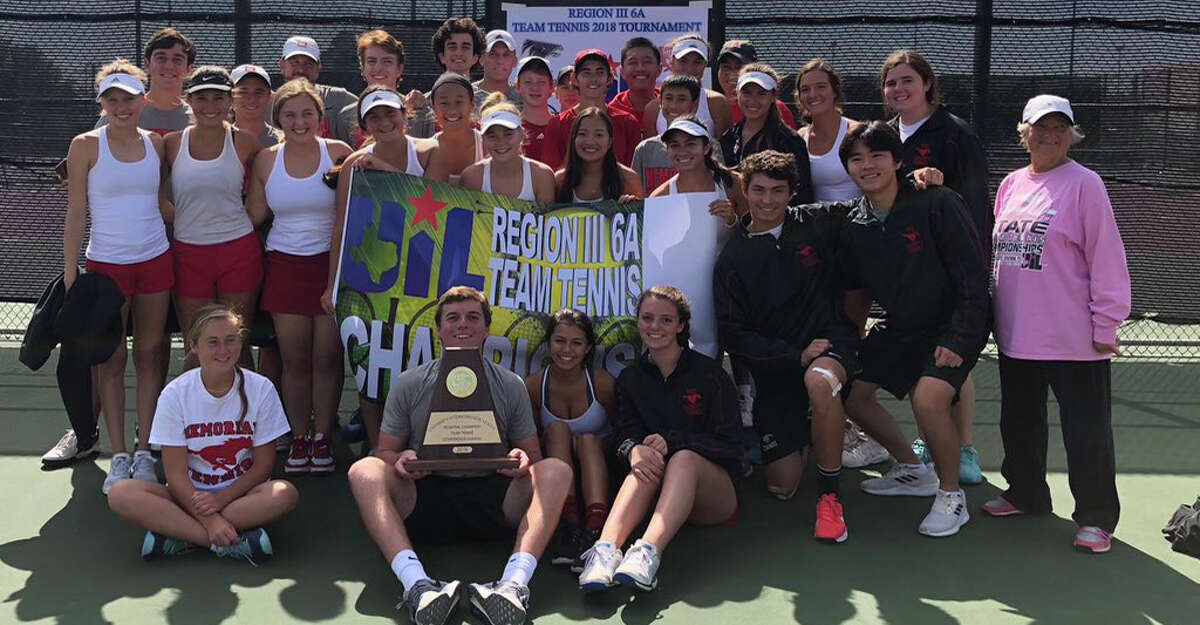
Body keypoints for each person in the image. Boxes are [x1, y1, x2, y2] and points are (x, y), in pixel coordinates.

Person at [346, 287, 572, 625]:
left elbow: (533, 456)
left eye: (472, 317)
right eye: (452, 318)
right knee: (363, 471)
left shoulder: (510, 384)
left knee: (556, 471)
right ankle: (418, 586)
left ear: (486, 327)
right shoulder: (409, 383)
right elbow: (384, 451)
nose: (462, 325)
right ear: (439, 329)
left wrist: (520, 459)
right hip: (424, 497)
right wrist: (401, 459)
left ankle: (512, 586)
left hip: (494, 499)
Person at [985, 95, 1130, 554]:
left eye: (1059, 128)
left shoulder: (1085, 184)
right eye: (1040, 127)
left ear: (1072, 134)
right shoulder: (1010, 184)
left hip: (1073, 340)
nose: (1049, 135)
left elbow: (1106, 258)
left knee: (1086, 434)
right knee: (1019, 424)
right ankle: (1026, 494)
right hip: (1015, 337)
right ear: (1023, 132)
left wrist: (1106, 325)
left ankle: (1096, 517)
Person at [837, 121, 989, 538]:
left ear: (898, 161)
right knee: (852, 393)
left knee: (928, 400)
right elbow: (856, 290)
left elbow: (974, 280)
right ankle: (911, 469)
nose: (867, 165)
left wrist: (959, 338)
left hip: (952, 326)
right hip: (901, 327)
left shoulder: (937, 201)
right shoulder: (855, 223)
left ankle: (951, 496)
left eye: (876, 156)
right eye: (856, 158)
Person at [714, 150, 860, 542]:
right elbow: (733, 334)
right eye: (758, 190)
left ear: (793, 193)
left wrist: (918, 180)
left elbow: (874, 200)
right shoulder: (732, 258)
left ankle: (830, 496)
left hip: (831, 345)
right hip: (778, 370)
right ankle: (822, 428)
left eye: (778, 191)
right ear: (744, 190)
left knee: (820, 381)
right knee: (781, 486)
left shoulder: (818, 222)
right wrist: (792, 355)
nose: (767, 200)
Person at [577, 286, 741, 592]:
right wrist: (632, 450)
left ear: (681, 326)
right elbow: (623, 435)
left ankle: (647, 552)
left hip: (714, 498)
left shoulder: (710, 375)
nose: (655, 327)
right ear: (638, 322)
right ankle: (604, 551)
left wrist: (675, 440)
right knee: (644, 457)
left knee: (682, 459)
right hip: (656, 492)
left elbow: (732, 446)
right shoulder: (630, 378)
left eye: (666, 320)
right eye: (647, 318)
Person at [107, 304, 298, 562]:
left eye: (231, 340)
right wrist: (209, 520)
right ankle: (229, 541)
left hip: (241, 496)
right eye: (213, 342)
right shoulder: (175, 394)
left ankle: (178, 534)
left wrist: (220, 500)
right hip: (187, 497)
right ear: (194, 346)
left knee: (285, 494)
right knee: (121, 494)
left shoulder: (261, 389)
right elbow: (174, 476)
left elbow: (264, 466)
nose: (223, 351)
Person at [880, 50, 991, 483]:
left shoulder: (954, 135)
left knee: (950, 357)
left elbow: (977, 203)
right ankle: (929, 437)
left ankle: (963, 449)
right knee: (920, 354)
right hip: (904, 270)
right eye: (891, 83)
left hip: (949, 268)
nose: (899, 90)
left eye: (907, 80)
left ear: (927, 84)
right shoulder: (886, 136)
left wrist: (972, 266)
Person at [66, 61, 173, 495]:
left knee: (149, 358)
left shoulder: (158, 145)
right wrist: (71, 272)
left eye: (128, 98)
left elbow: (165, 203)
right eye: (112, 99)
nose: (121, 106)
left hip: (156, 261)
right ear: (102, 103)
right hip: (106, 268)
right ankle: (119, 457)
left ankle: (145, 452)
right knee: (111, 363)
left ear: (142, 100)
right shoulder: (84, 146)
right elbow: (75, 213)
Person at [245, 78, 352, 474]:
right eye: (290, 114)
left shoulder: (341, 154)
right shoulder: (266, 160)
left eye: (307, 113)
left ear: (320, 119)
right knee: (293, 360)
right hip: (284, 267)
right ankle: (299, 437)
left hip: (331, 267)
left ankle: (322, 436)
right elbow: (254, 216)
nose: (299, 121)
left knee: (327, 358)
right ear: (279, 119)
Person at [322, 85, 437, 453]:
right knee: (372, 364)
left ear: (406, 114)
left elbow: (443, 205)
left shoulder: (431, 151)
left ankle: (421, 445)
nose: (384, 121)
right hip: (373, 276)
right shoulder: (354, 163)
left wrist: (385, 170)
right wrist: (332, 285)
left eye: (390, 113)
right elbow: (341, 224)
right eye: (374, 116)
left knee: (423, 361)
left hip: (424, 277)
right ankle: (379, 450)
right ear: (363, 124)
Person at [793, 58, 891, 469]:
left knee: (851, 331)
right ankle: (834, 416)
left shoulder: (856, 133)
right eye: (806, 90)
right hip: (819, 253)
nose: (813, 95)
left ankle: (858, 423)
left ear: (835, 91)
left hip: (859, 246)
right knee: (821, 329)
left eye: (821, 87)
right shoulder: (798, 137)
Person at [163, 67, 263, 371]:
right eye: (201, 98)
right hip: (189, 254)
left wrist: (235, 222)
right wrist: (184, 220)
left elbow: (269, 187)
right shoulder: (170, 144)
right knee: (197, 346)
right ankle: (193, 418)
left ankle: (246, 418)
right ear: (188, 100)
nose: (210, 106)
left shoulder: (245, 142)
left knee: (237, 344)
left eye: (218, 98)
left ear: (229, 100)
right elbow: (150, 189)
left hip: (238, 253)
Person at [525, 309, 616, 570]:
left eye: (576, 343)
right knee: (556, 430)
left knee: (587, 440)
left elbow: (622, 429)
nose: (567, 350)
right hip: (557, 462)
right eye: (560, 341)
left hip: (598, 460)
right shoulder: (533, 386)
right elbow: (530, 436)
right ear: (548, 344)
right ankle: (569, 525)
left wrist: (593, 445)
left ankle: (595, 530)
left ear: (588, 348)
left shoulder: (602, 383)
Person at [719, 63, 814, 204]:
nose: (753, 100)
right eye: (747, 92)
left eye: (762, 93)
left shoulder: (790, 141)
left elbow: (802, 196)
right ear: (737, 93)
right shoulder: (728, 138)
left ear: (773, 96)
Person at [542, 49, 643, 170]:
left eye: (599, 72)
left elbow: (634, 175)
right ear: (574, 79)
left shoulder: (627, 122)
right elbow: (553, 177)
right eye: (586, 73)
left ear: (610, 78)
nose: (593, 79)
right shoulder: (557, 124)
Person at [96, 28, 194, 136]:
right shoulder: (120, 113)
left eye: (177, 60)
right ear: (147, 65)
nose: (169, 66)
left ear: (189, 70)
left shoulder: (198, 119)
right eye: (161, 58)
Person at [460, 93, 557, 202]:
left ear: (521, 134)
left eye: (508, 134)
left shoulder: (543, 176)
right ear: (483, 139)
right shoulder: (471, 177)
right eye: (492, 136)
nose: (501, 142)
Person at [329, 29, 414, 148]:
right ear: (362, 68)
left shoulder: (417, 112)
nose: (378, 68)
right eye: (371, 61)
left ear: (399, 69)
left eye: (387, 61)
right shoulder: (346, 116)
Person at [408, 17, 486, 139]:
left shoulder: (488, 103)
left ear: (475, 57)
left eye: (465, 47)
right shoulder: (424, 104)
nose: (458, 52)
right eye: (452, 47)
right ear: (442, 56)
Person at [643, 35, 731, 140]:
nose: (689, 68)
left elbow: (723, 151)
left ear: (705, 64)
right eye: (683, 61)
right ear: (671, 62)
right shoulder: (652, 109)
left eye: (697, 62)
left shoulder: (718, 103)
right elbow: (651, 151)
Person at [631, 74, 705, 193]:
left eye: (682, 99)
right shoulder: (645, 149)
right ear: (660, 102)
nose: (674, 106)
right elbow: (636, 195)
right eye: (669, 98)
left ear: (694, 105)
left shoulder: (708, 146)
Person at [554, 107, 642, 204]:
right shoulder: (560, 181)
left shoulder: (628, 179)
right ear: (573, 139)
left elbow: (641, 217)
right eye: (582, 134)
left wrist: (630, 207)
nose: (590, 141)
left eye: (599, 135)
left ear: (610, 141)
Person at [278, 35, 358, 139]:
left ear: (319, 67)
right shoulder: (267, 104)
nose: (301, 70)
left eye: (308, 64)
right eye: (295, 63)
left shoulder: (340, 99)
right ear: (282, 65)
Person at [714, 40, 797, 130]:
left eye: (739, 67)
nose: (732, 73)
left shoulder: (776, 108)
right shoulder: (710, 104)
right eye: (726, 67)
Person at [422, 73, 482, 185]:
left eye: (459, 102)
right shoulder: (424, 151)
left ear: (472, 104)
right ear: (434, 108)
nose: (452, 110)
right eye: (444, 103)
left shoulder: (487, 146)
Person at [608, 37, 662, 128]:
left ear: (659, 70)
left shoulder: (672, 106)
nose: (640, 68)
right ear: (622, 72)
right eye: (633, 62)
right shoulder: (610, 114)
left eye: (647, 62)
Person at [514, 56, 556, 166]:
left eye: (541, 82)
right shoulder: (510, 128)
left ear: (552, 86)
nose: (535, 88)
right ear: (517, 86)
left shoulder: (563, 125)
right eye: (528, 82)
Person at [230, 64, 282, 148]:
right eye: (243, 92)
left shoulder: (282, 142)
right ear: (230, 97)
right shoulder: (219, 141)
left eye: (259, 92)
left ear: (270, 97)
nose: (251, 99)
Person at [475, 29, 523, 112]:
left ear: (515, 61)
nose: (500, 61)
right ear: (481, 59)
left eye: (506, 55)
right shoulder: (467, 95)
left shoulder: (524, 97)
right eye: (493, 54)